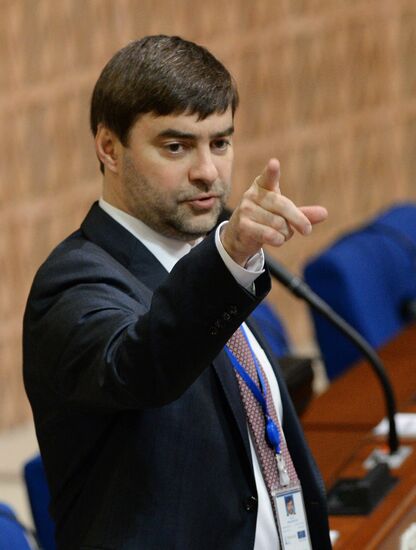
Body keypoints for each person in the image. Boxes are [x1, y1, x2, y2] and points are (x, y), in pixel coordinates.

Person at [23, 35, 331, 549]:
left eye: (220, 142)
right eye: (176, 146)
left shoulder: (199, 262)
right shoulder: (74, 283)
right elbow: (142, 365)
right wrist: (227, 260)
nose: (207, 172)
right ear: (109, 147)